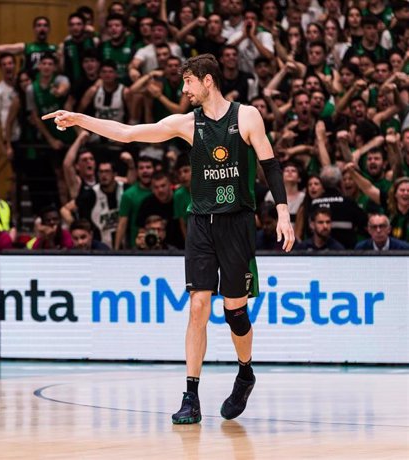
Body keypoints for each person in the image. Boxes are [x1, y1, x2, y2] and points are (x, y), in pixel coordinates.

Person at [42, 53, 295, 424]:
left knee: (235, 312)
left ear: (207, 81)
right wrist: (80, 120)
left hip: (237, 222)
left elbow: (271, 165)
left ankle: (245, 373)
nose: (184, 89)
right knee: (197, 306)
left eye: (189, 82)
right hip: (201, 223)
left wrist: (284, 213)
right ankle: (190, 396)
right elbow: (128, 133)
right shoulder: (186, 124)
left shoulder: (246, 116)